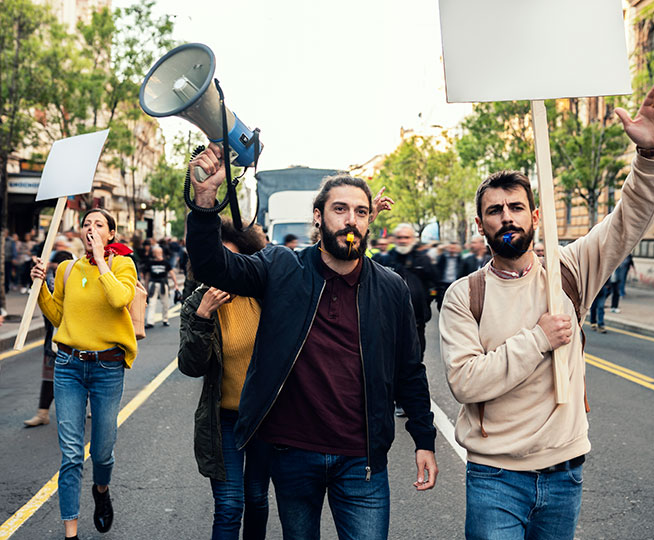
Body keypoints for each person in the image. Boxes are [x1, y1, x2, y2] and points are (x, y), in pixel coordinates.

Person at [439, 82, 654, 540]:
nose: (507, 216)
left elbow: (628, 219)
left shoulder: (569, 270)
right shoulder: (463, 296)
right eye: (495, 211)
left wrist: (650, 158)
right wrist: (539, 338)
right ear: (480, 225)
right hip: (495, 478)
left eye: (517, 207)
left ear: (535, 217)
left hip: (564, 472)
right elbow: (465, 382)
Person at [186, 154, 437, 540]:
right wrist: (205, 200)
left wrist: (424, 439)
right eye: (340, 209)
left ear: (369, 221)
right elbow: (214, 266)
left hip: (362, 461)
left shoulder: (390, 287)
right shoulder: (281, 267)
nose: (350, 219)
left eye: (360, 211)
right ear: (318, 217)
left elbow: (409, 369)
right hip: (292, 454)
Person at [31, 208, 139, 540]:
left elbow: (120, 297)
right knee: (72, 453)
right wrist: (40, 288)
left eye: (98, 225)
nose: (91, 228)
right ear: (79, 232)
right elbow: (58, 317)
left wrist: (100, 261)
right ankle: (71, 533)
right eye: (86, 224)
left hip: (107, 368)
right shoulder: (67, 269)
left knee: (103, 450)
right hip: (68, 367)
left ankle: (101, 490)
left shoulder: (122, 265)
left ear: (111, 235)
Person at [179, 219, 272, 539]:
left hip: (265, 418)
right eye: (217, 264)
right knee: (231, 505)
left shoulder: (264, 294)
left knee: (257, 499)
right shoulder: (197, 303)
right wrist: (203, 317)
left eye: (232, 263)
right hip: (224, 421)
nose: (224, 273)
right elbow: (190, 366)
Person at [24, 249, 75, 428]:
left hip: (74, 339)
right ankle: (42, 413)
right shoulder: (50, 278)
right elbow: (46, 305)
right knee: (48, 377)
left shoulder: (77, 278)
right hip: (52, 338)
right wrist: (37, 274)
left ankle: (82, 413)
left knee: (81, 379)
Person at [379, 223, 437, 356]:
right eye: (399, 237)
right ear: (394, 239)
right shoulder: (385, 260)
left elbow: (433, 283)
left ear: (412, 239)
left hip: (416, 322)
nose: (403, 241)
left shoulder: (423, 260)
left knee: (415, 358)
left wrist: (425, 301)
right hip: (389, 323)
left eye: (406, 237)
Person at [144, 245, 180, 328]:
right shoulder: (150, 263)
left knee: (165, 303)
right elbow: (147, 276)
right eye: (156, 252)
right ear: (153, 254)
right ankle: (150, 322)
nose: (158, 254)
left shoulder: (166, 263)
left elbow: (172, 273)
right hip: (153, 284)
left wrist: (176, 284)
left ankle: (165, 319)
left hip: (163, 284)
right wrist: (146, 287)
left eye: (159, 252)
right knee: (152, 303)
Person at [435, 242, 464, 310]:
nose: (452, 250)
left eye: (454, 248)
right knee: (441, 302)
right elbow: (437, 269)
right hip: (443, 283)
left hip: (455, 284)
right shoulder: (442, 257)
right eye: (450, 248)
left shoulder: (460, 259)